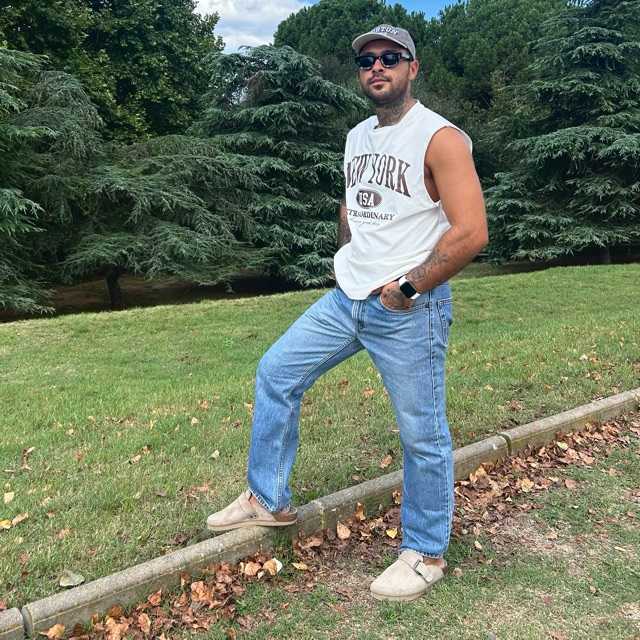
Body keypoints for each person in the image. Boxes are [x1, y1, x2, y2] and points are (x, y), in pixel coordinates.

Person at [206, 24, 488, 602]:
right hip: (347, 298)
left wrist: (407, 286)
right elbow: (353, 205)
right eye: (366, 60)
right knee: (277, 372)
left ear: (413, 67)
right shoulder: (358, 135)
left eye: (390, 57)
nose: (377, 67)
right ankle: (267, 499)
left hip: (408, 308)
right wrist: (348, 254)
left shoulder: (440, 139)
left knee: (422, 433)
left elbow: (471, 232)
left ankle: (426, 552)